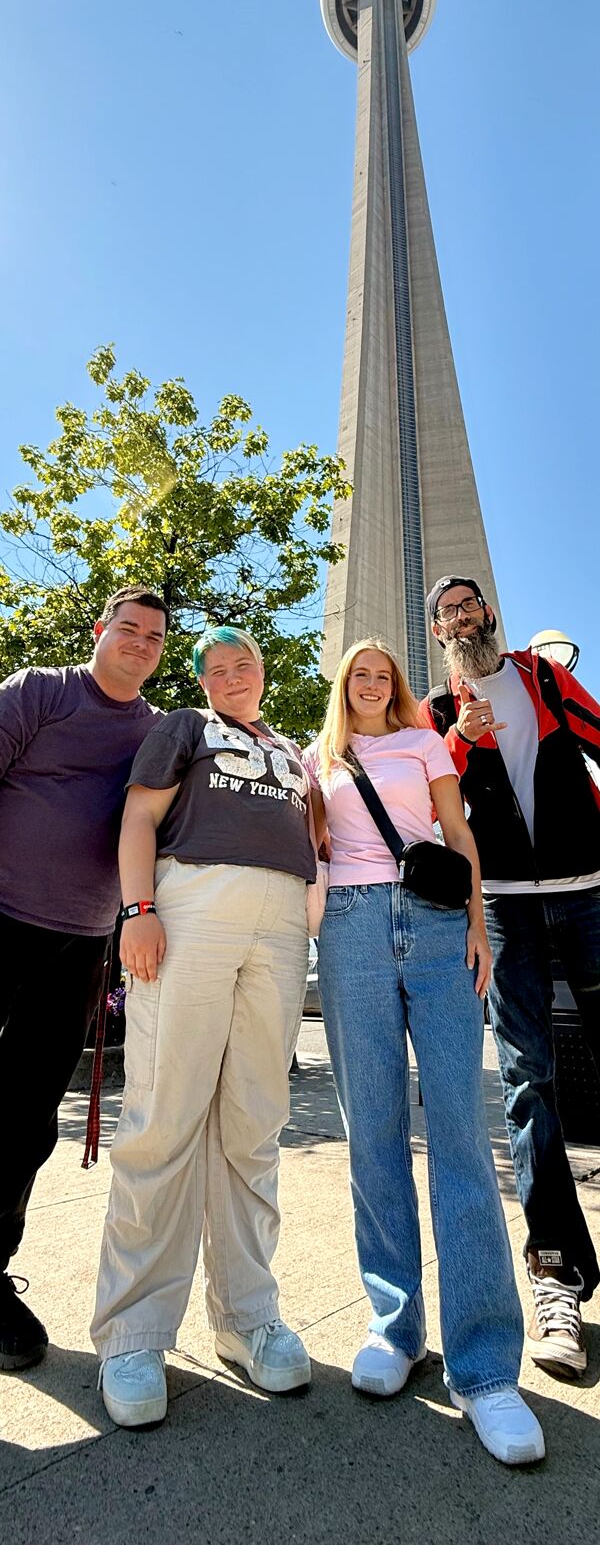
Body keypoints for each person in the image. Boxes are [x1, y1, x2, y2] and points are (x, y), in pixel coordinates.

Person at [304, 639, 544, 1467]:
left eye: (384, 675)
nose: (372, 684)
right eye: (359, 675)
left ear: (397, 688)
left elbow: (455, 832)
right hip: (349, 932)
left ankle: (484, 1368)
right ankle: (393, 1327)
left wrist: (478, 925)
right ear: (343, 688)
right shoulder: (319, 758)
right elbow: (308, 853)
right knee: (372, 1136)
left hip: (436, 926)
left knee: (460, 1141)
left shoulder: (422, 742)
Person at [92, 624, 314, 1429]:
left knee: (255, 1124)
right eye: (214, 668)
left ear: (263, 673)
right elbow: (140, 817)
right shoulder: (183, 727)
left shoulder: (294, 751)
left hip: (282, 921)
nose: (229, 676)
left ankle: (247, 1318)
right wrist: (140, 908)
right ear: (202, 680)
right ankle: (134, 1332)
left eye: (242, 664)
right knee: (165, 1117)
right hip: (195, 906)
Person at [421, 574, 600, 1379]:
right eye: (446, 612)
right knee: (528, 1081)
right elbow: (432, 810)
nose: (462, 618)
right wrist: (460, 737)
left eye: (470, 605)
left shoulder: (545, 677)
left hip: (588, 893)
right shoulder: (432, 712)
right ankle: (557, 1271)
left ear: (490, 614)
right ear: (437, 633)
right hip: (502, 907)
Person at [0, 586, 169, 1371]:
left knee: (25, 1116)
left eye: (154, 636)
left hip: (79, 946)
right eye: (127, 628)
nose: (139, 642)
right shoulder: (41, 690)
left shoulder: (161, 736)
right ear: (99, 630)